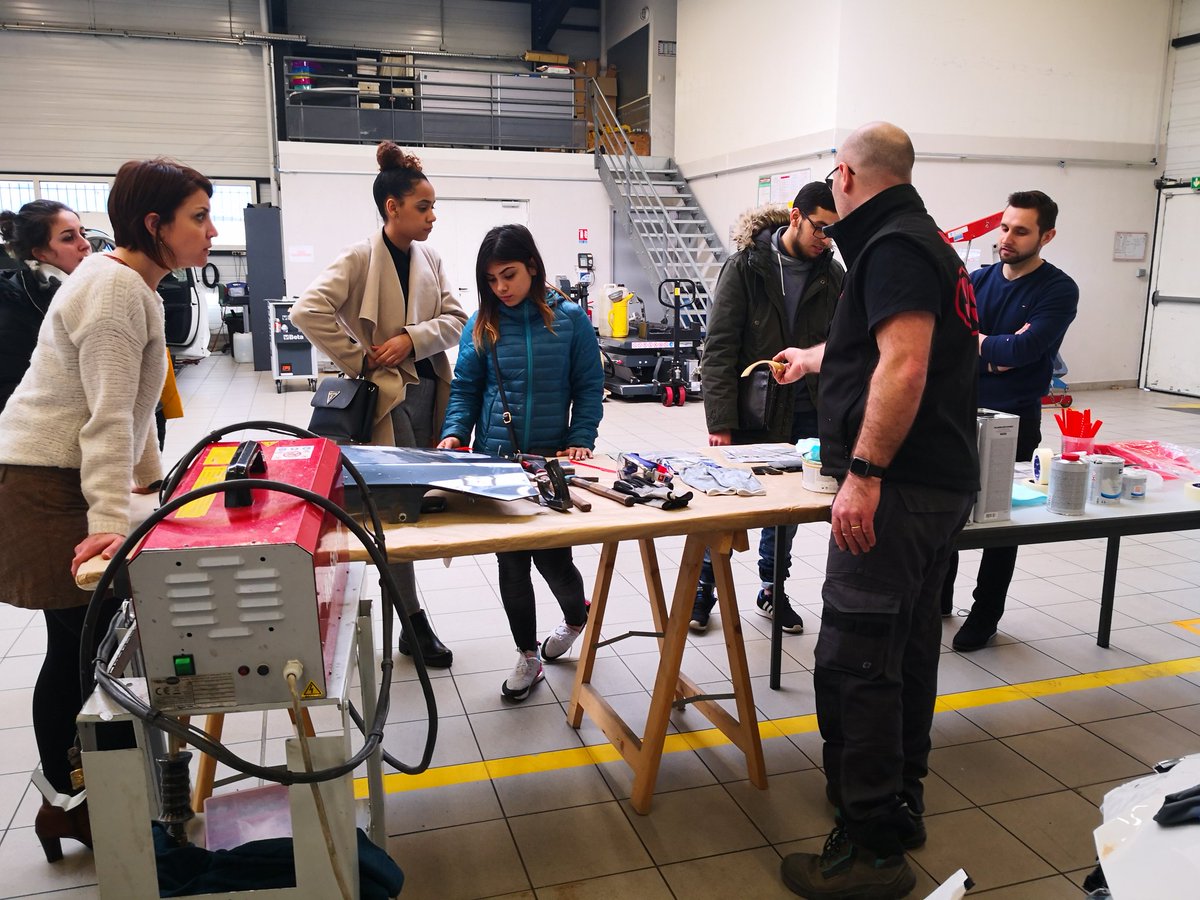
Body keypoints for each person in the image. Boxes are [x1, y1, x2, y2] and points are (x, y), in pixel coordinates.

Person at [772, 122, 979, 899]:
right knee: (905, 652)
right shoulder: (926, 243)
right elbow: (886, 343)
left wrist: (862, 474)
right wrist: (816, 357)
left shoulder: (892, 246)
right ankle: (897, 803)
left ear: (845, 176)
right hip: (934, 488)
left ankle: (870, 852)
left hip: (898, 492)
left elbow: (906, 363)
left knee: (856, 662)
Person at [0, 158, 217, 862]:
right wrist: (106, 527)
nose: (212, 231)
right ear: (155, 224)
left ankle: (84, 800)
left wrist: (153, 493)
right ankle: (74, 804)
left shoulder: (134, 284)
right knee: (82, 650)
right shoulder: (116, 290)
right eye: (198, 217)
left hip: (62, 479)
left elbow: (136, 410)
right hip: (44, 487)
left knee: (81, 648)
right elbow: (104, 423)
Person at [292, 141, 466, 669]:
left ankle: (410, 619)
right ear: (393, 207)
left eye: (433, 206)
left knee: (424, 505)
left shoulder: (431, 258)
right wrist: (358, 358)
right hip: (388, 404)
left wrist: (411, 338)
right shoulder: (360, 257)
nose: (432, 216)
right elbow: (307, 310)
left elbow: (456, 320)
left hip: (430, 395)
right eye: (423, 206)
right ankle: (412, 621)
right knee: (394, 514)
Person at [437, 224, 604, 701]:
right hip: (496, 462)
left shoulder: (569, 320)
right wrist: (454, 432)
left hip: (550, 462)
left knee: (554, 560)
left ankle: (576, 616)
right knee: (511, 564)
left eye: (508, 275)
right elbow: (465, 389)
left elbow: (588, 386)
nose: (501, 288)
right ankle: (528, 656)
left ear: (532, 265)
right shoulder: (482, 322)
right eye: (491, 280)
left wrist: (580, 438)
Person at [693, 181, 844, 635]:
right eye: (821, 228)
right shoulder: (747, 266)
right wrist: (721, 422)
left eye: (835, 232)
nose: (826, 240)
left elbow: (841, 347)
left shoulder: (834, 275)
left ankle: (772, 588)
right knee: (728, 505)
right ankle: (704, 588)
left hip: (807, 411)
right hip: (753, 408)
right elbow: (719, 348)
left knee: (787, 511)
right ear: (796, 216)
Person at [946, 191, 1079, 651]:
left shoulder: (1057, 290)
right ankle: (939, 599)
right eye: (1004, 227)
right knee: (946, 511)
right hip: (958, 412)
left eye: (1021, 231)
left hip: (1013, 421)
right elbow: (953, 341)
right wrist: (993, 350)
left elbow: (1023, 350)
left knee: (1000, 522)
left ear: (1047, 236)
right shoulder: (977, 279)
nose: (1007, 238)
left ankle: (985, 615)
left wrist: (980, 345)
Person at [0, 200, 92, 411]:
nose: (85, 244)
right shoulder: (13, 310)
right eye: (68, 238)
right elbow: (10, 394)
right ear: (40, 253)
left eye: (83, 234)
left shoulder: (90, 292)